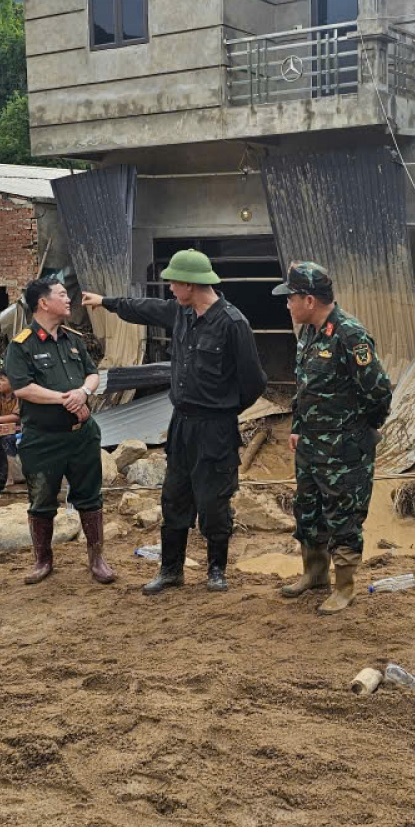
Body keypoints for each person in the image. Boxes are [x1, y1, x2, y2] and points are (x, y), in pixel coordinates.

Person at [84, 249, 267, 593]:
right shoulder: (181, 312)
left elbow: (255, 382)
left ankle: (216, 570)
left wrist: (224, 410)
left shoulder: (233, 323)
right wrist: (105, 302)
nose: (168, 288)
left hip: (215, 428)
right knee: (174, 498)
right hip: (181, 425)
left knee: (214, 502)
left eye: (172, 282)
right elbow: (142, 309)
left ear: (190, 284)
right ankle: (171, 570)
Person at [273, 261, 393, 614]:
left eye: (291, 297)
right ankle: (314, 573)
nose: (287, 304)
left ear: (309, 300)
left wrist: (360, 432)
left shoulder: (350, 334)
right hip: (310, 446)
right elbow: (306, 388)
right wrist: (298, 427)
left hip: (343, 450)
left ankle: (344, 586)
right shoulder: (309, 333)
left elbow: (379, 391)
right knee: (308, 512)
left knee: (343, 517)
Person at [6, 277, 115, 585]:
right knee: (41, 500)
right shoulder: (22, 345)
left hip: (82, 435)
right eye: (62, 295)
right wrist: (65, 399)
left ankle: (97, 559)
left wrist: (82, 391)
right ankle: (42, 560)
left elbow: (93, 374)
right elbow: (23, 388)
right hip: (43, 440)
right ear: (43, 303)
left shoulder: (73, 338)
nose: (69, 300)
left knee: (90, 497)